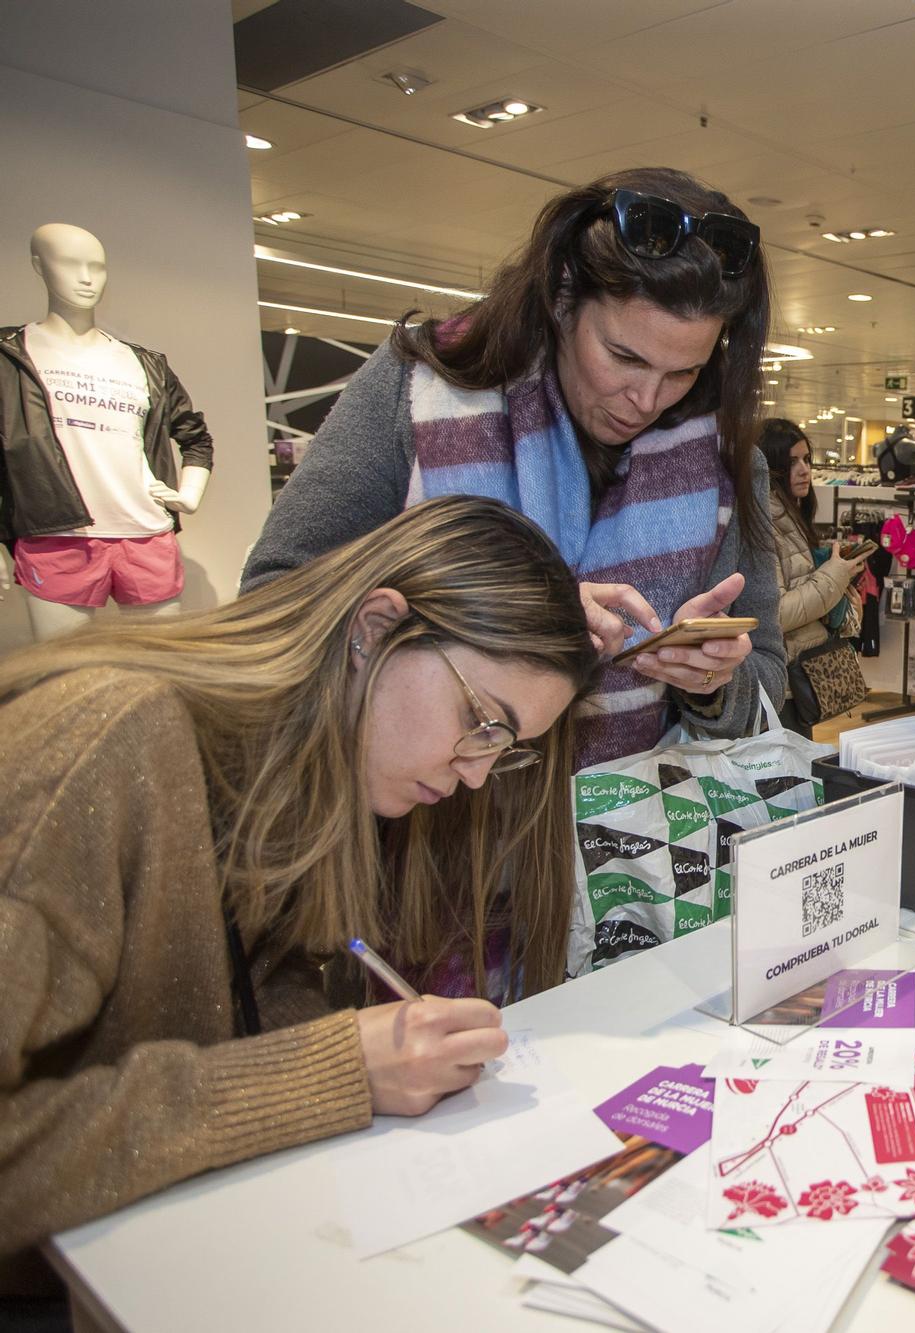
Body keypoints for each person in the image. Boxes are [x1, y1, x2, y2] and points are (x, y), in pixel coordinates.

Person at [0, 496, 599, 1293]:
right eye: (480, 721)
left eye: (503, 748)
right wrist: (329, 1070)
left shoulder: (310, 784)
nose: (476, 774)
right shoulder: (104, 740)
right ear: (374, 629)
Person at [241, 167, 783, 768]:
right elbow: (271, 605)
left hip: (632, 841)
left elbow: (767, 682)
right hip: (419, 835)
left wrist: (708, 683)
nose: (648, 398)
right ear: (562, 296)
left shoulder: (728, 462)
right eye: (623, 356)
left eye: (684, 372)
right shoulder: (416, 392)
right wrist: (514, 618)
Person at [757, 418, 865, 733]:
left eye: (807, 459)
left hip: (798, 679)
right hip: (781, 685)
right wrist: (835, 576)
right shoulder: (766, 524)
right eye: (791, 462)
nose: (805, 469)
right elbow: (773, 613)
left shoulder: (791, 517)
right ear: (770, 467)